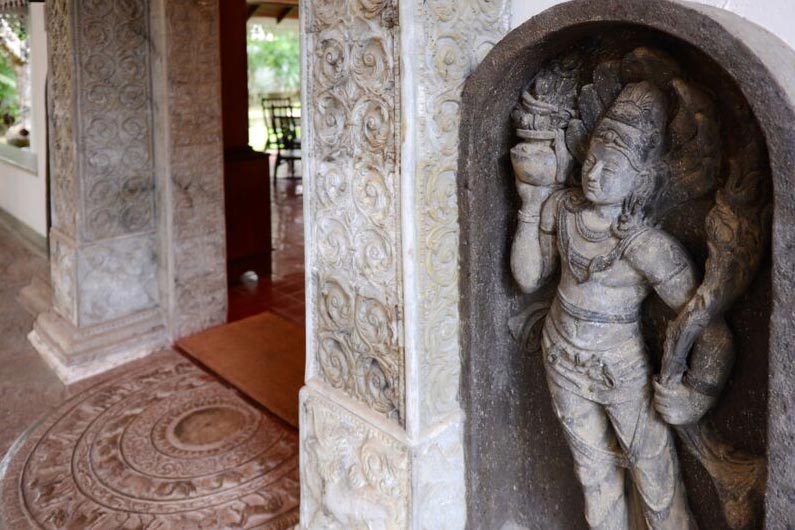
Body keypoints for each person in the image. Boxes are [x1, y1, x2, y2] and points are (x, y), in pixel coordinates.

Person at [511, 81, 720, 530]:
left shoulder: (647, 247)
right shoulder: (562, 210)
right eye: (592, 158)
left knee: (656, 479)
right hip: (560, 355)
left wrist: (698, 391)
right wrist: (530, 205)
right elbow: (529, 278)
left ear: (640, 180)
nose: (594, 173)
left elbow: (708, 322)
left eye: (612, 166)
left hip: (621, 370)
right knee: (594, 476)